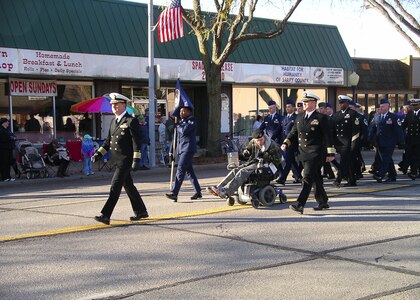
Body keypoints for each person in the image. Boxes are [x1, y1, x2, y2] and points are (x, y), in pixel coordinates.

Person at [91, 92, 148, 225]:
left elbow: (136, 142)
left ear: (124, 105)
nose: (114, 107)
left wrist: (136, 160)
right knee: (129, 186)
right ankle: (141, 211)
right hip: (116, 160)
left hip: (125, 160)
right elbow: (108, 141)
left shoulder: (131, 120)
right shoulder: (113, 121)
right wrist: (98, 154)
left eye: (117, 104)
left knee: (115, 186)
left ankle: (105, 214)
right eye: (113, 105)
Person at [281, 92, 335, 214]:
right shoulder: (299, 117)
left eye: (307, 102)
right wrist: (286, 142)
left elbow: (327, 136)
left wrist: (330, 153)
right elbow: (293, 133)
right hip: (303, 153)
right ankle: (323, 201)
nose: (304, 104)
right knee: (315, 177)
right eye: (304, 102)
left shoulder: (321, 118)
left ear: (314, 103)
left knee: (307, 177)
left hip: (316, 153)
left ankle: (300, 204)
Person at [208, 128, 282, 199]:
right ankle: (219, 188)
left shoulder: (272, 146)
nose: (259, 142)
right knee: (235, 170)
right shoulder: (253, 142)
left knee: (242, 172)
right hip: (253, 162)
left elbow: (277, 161)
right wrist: (238, 156)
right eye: (257, 141)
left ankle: (226, 191)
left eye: (261, 140)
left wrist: (265, 159)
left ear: (264, 137)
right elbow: (246, 154)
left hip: (267, 166)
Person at [165, 106, 202, 202]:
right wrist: (171, 151)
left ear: (188, 112)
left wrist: (177, 126)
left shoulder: (191, 120)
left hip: (188, 148)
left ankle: (174, 193)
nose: (181, 112)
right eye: (180, 111)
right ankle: (198, 191)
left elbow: (185, 131)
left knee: (180, 169)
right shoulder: (180, 122)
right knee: (189, 172)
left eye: (183, 111)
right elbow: (175, 138)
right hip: (181, 149)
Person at [368, 98, 405, 183]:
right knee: (387, 159)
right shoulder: (376, 117)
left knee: (385, 159)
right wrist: (368, 140)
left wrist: (402, 141)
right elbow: (372, 129)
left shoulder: (393, 117)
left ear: (388, 107)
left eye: (383, 107)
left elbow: (398, 130)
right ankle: (392, 175)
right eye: (380, 107)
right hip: (379, 142)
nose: (381, 108)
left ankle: (380, 175)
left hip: (390, 142)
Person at [331, 95, 360, 187]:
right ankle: (352, 180)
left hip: (348, 142)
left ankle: (338, 179)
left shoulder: (353, 114)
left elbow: (356, 131)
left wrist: (353, 144)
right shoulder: (336, 115)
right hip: (339, 143)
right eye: (340, 103)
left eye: (343, 103)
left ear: (348, 103)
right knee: (348, 163)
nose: (341, 104)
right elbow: (333, 130)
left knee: (344, 161)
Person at [277, 99, 301, 185]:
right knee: (292, 161)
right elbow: (279, 130)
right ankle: (299, 177)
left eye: (289, 107)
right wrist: (272, 138)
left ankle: (282, 179)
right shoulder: (284, 118)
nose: (287, 108)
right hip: (284, 142)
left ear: (293, 108)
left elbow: (295, 132)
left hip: (292, 143)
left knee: (288, 161)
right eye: (286, 107)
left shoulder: (296, 118)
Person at [401, 98, 420, 180]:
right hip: (410, 139)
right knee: (410, 155)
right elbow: (404, 125)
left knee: (417, 156)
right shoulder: (410, 114)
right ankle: (413, 171)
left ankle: (414, 172)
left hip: (419, 139)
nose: (413, 107)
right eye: (412, 105)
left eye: (415, 105)